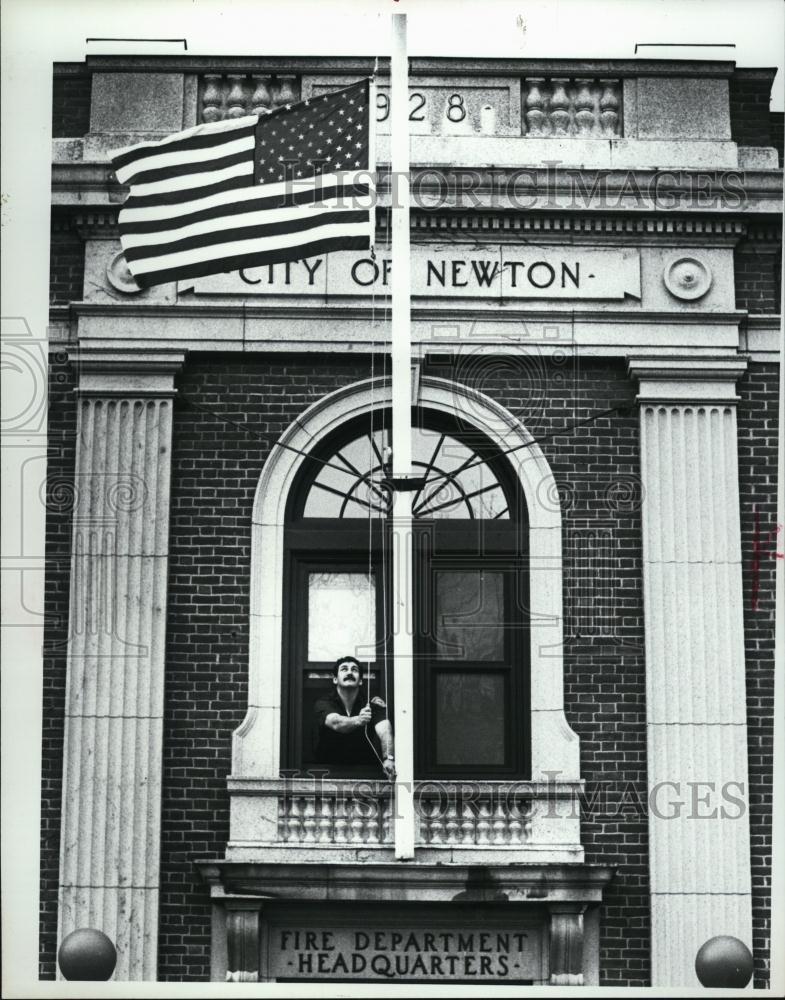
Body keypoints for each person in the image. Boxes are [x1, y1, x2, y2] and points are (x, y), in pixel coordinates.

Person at [313, 655, 395, 777]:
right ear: (335, 679)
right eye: (344, 669)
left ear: (361, 681)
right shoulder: (323, 703)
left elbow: (385, 731)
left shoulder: (372, 704)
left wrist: (388, 758)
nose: (350, 672)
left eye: (354, 670)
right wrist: (359, 720)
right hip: (327, 772)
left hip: (364, 772)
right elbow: (336, 723)